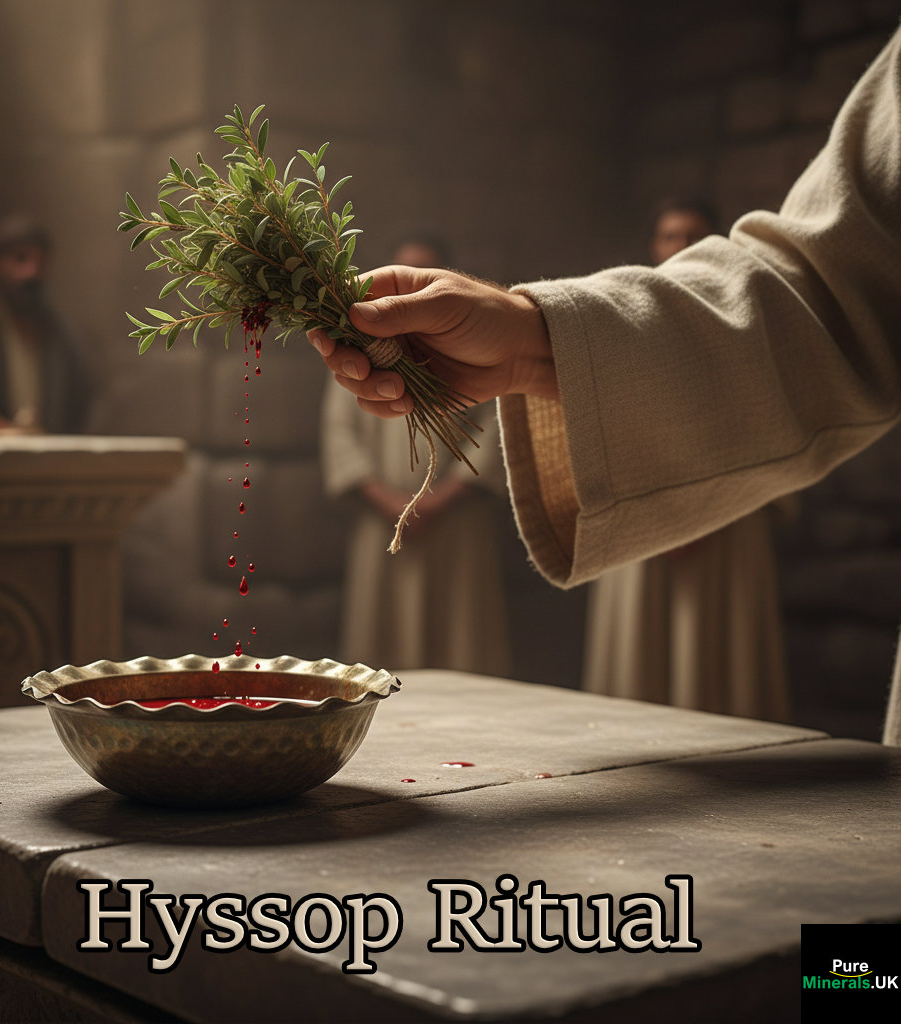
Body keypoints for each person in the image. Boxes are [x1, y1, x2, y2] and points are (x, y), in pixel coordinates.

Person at [309, 28, 901, 742]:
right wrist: (531, 343)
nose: (678, 246)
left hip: (710, 530)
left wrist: (695, 501)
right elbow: (824, 293)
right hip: (413, 517)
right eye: (668, 237)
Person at [582, 200, 791, 721]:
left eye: (693, 235)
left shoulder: (749, 319)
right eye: (670, 236)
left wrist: (703, 513)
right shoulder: (616, 318)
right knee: (640, 666)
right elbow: (608, 421)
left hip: (727, 519)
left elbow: (765, 422)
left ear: (716, 243)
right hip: (639, 520)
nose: (680, 246)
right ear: (654, 246)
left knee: (717, 663)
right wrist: (657, 514)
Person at [320, 238, 512, 676]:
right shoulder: (358, 349)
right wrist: (393, 505)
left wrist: (439, 501)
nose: (411, 291)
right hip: (384, 523)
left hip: (457, 523)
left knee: (462, 643)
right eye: (403, 277)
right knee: (381, 652)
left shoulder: (469, 344)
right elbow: (340, 436)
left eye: (423, 277)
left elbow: (496, 429)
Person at [0, 214, 91, 435]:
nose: (31, 271)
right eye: (20, 259)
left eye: (40, 262)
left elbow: (79, 395)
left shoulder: (57, 330)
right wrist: (0, 431)